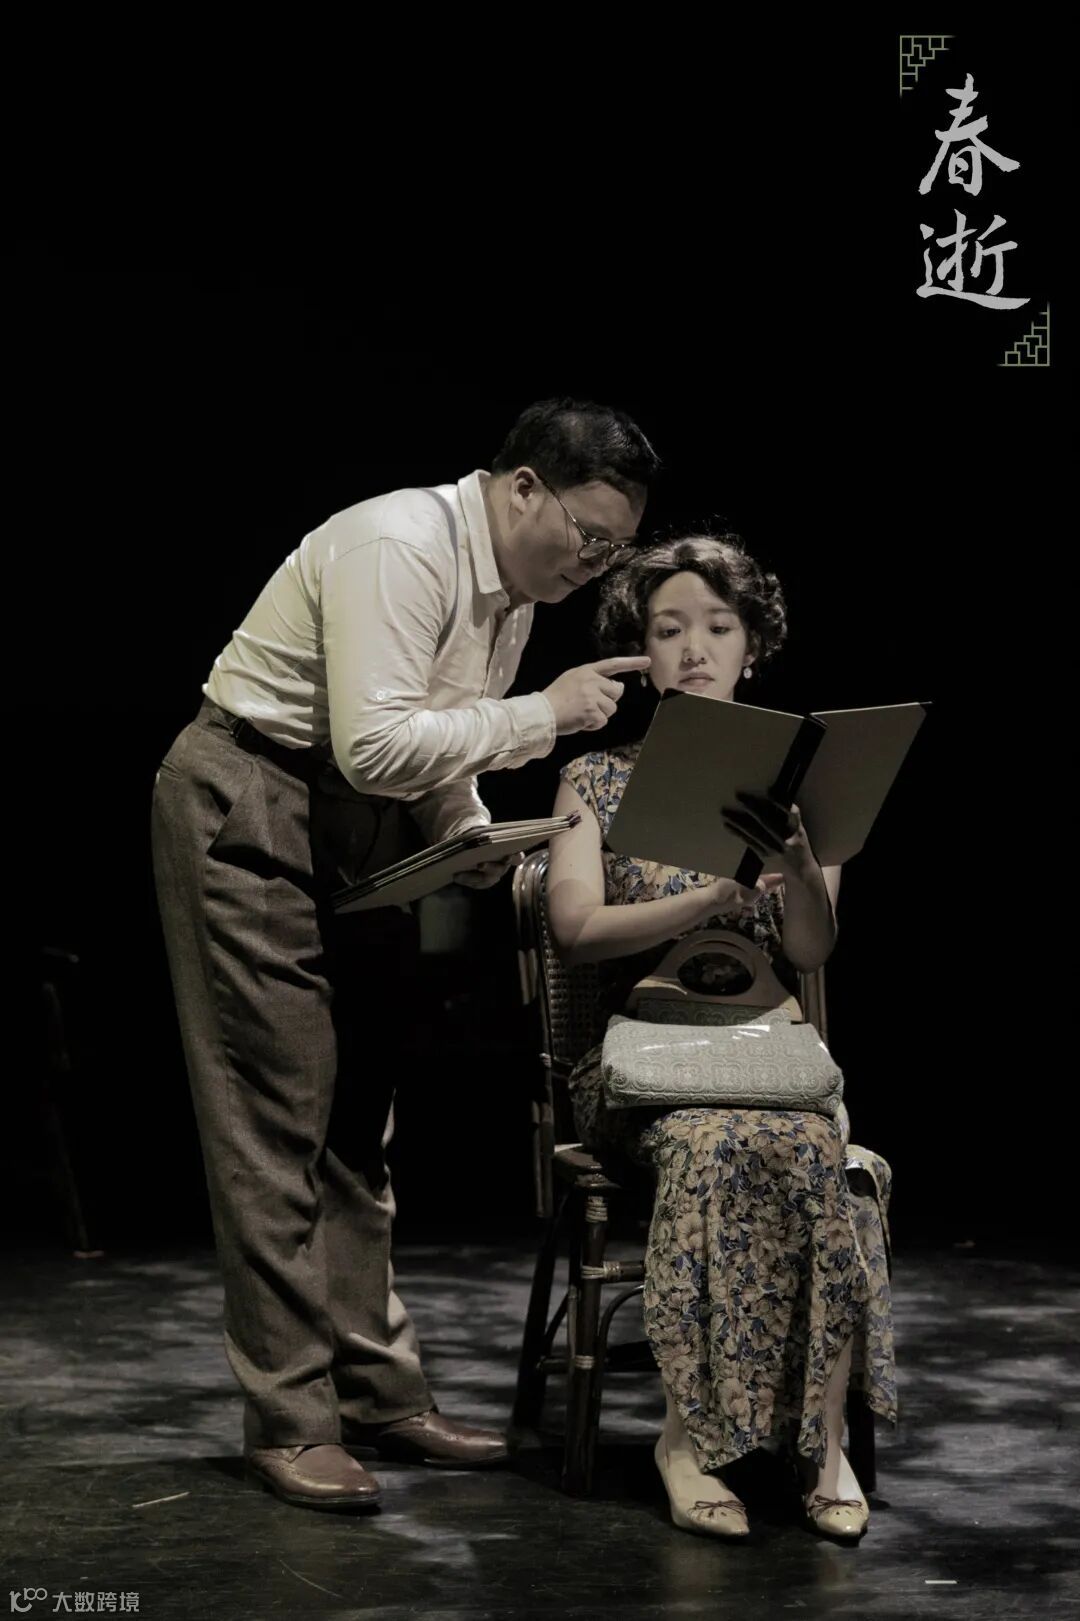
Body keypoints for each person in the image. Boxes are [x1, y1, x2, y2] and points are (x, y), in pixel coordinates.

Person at [151, 398, 659, 1510]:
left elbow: (433, 743)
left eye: (614, 549)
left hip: (359, 818)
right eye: (589, 535)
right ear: (522, 487)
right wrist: (544, 717)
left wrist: (464, 829)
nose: (595, 563)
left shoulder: (511, 591)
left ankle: (378, 1393)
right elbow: (375, 740)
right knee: (274, 1116)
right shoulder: (401, 543)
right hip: (254, 795)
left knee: (358, 1117)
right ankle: (293, 1419)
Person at [546, 533, 896, 1541]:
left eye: (717, 626)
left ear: (753, 643)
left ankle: (821, 1441)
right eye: (668, 629)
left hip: (767, 1058)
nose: (693, 648)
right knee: (714, 1141)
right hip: (646, 1065)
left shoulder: (801, 787)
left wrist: (802, 865)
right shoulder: (596, 779)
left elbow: (812, 948)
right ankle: (686, 1441)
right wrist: (703, 898)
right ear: (641, 650)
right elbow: (574, 927)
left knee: (820, 1150)